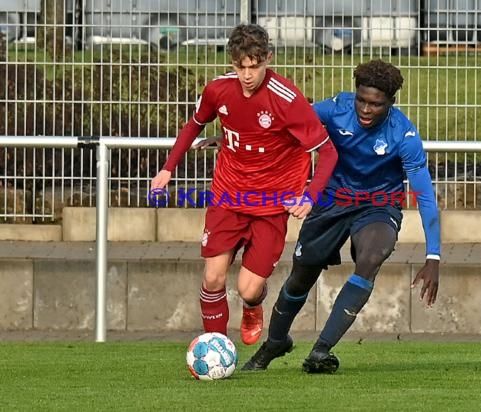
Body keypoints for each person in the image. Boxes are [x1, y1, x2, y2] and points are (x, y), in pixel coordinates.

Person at [241, 59, 440, 373]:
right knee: (301, 277)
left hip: (378, 205)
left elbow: (425, 195)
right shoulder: (335, 109)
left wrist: (433, 256)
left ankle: (321, 350)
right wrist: (232, 143)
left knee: (372, 256)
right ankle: (276, 342)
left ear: (390, 103)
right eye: (361, 99)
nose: (365, 109)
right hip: (331, 201)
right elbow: (286, 122)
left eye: (375, 104)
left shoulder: (404, 135)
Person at [150, 24, 338, 346]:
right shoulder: (218, 90)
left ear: (268, 58)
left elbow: (328, 151)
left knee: (248, 288)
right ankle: (217, 347)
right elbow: (193, 126)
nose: (247, 74)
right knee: (212, 277)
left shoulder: (287, 99)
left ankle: (253, 306)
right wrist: (168, 170)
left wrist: (309, 196)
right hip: (228, 194)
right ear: (232, 62)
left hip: (272, 202)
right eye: (240, 66)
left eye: (255, 66)